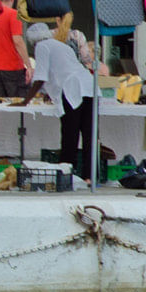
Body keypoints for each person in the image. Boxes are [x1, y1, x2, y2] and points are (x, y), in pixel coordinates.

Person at [29, 18, 97, 183]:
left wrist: (25, 100)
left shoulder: (42, 47)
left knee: (70, 134)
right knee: (89, 134)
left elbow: (40, 77)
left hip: (72, 90)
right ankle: (90, 176)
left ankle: (67, 174)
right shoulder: (60, 45)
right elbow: (62, 70)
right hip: (89, 86)